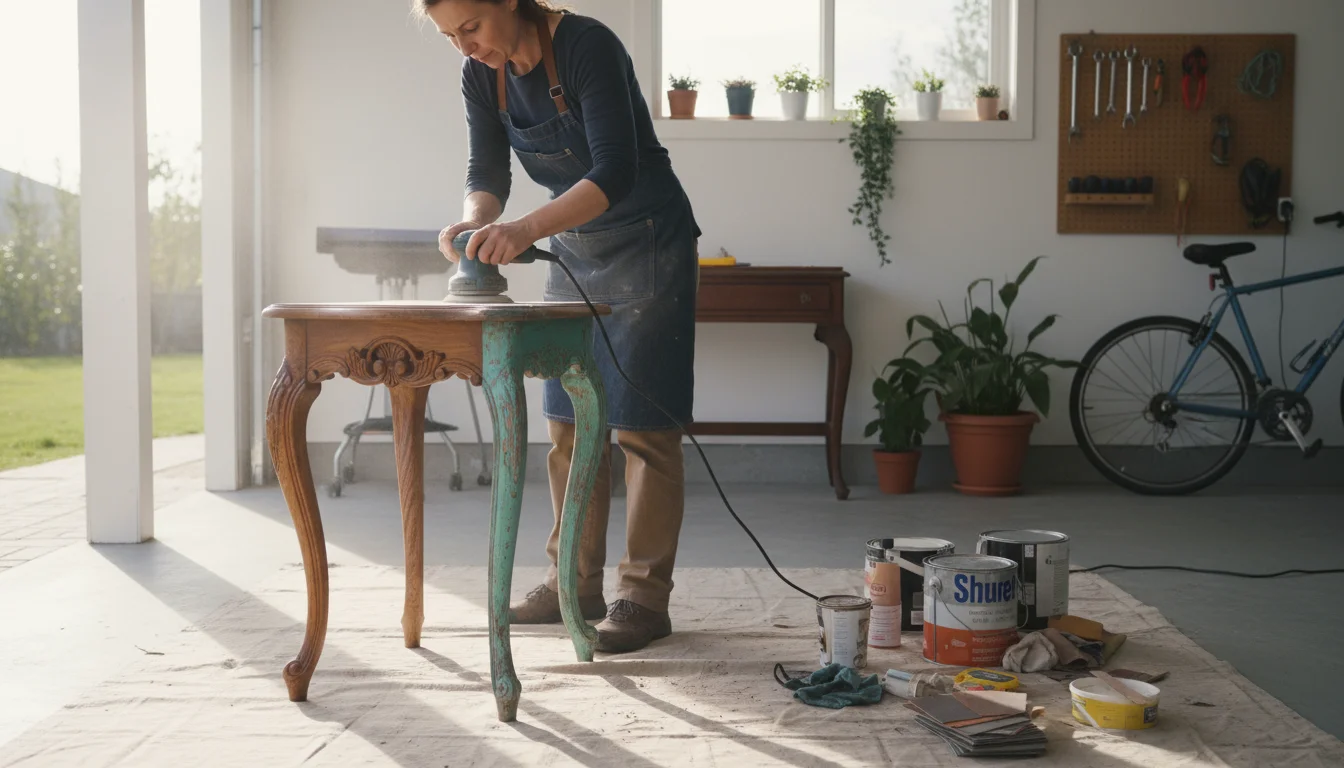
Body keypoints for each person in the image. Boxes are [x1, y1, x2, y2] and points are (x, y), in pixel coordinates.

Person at [418, 0, 700, 654]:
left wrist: (523, 230)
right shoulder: (480, 75)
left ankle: (643, 597)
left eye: (471, 28)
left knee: (642, 428)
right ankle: (572, 581)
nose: (465, 46)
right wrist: (476, 221)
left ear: (506, 3)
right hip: (574, 246)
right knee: (570, 424)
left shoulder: (586, 46)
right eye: (450, 37)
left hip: (648, 239)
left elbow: (614, 170)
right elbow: (487, 171)